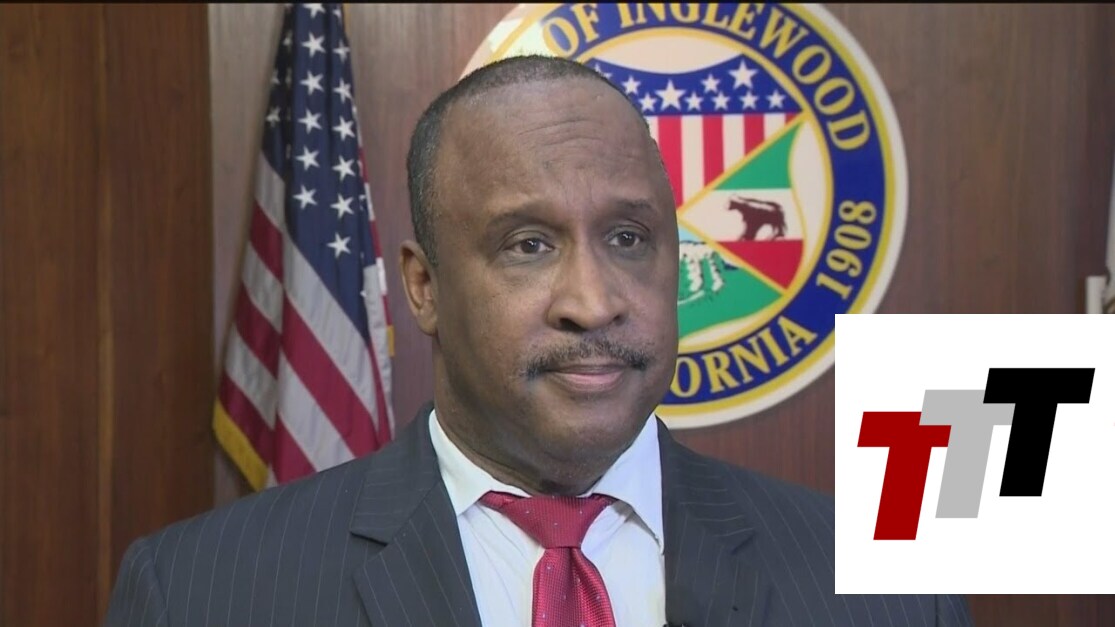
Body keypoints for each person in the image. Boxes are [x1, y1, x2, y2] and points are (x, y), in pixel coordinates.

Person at [105, 55, 973, 627]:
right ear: (424, 287)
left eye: (628, 238)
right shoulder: (201, 592)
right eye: (528, 245)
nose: (593, 302)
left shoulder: (888, 590)